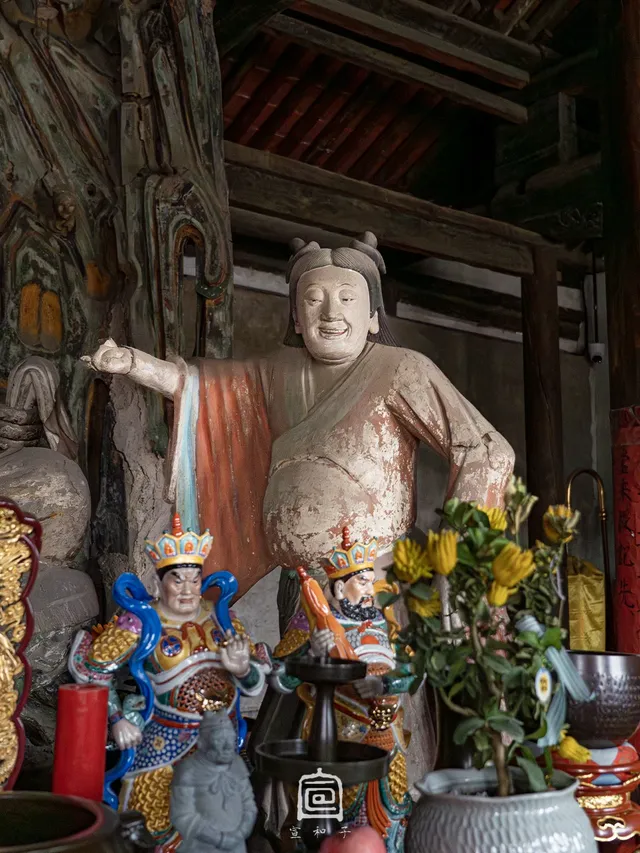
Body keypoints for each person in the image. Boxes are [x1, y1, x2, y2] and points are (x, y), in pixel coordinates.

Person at [82, 231, 514, 782]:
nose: (330, 313)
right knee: (298, 712)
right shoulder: (278, 372)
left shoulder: (402, 369)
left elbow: (484, 448)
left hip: (374, 588)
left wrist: (459, 555)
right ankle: (294, 818)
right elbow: (202, 389)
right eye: (313, 300)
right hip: (299, 586)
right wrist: (133, 364)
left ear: (374, 317)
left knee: (377, 715)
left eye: (347, 298)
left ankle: (386, 817)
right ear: (295, 315)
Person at [68, 514, 268, 851]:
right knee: (152, 825)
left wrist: (241, 669)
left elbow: (255, 683)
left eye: (194, 580)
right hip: (165, 738)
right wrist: (116, 720)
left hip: (220, 741)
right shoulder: (141, 620)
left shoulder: (222, 617)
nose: (188, 590)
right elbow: (91, 669)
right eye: (178, 581)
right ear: (160, 583)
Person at [270, 529, 416, 853]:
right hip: (337, 734)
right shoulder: (312, 624)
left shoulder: (385, 621)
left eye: (370, 580)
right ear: (339, 587)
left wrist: (386, 683)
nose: (369, 589)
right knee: (332, 817)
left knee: (391, 810)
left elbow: (413, 672)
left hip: (387, 731)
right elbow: (280, 678)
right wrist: (311, 652)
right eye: (362, 581)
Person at [171, 708, 258, 853]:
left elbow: (249, 803)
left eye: (230, 738)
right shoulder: (188, 770)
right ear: (202, 743)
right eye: (219, 739)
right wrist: (220, 839)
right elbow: (183, 816)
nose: (227, 746)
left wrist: (241, 833)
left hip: (237, 845)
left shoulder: (237, 763)